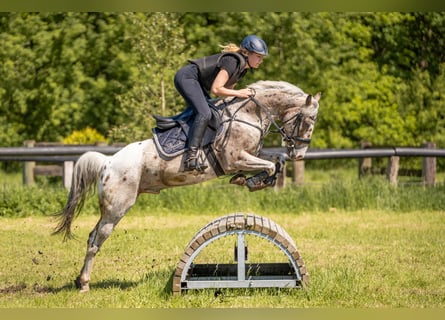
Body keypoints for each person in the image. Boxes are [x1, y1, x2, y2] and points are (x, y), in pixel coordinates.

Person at [174, 34, 268, 173]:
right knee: (204, 113)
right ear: (246, 53)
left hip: (198, 84)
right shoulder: (232, 61)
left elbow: (227, 92)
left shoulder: (243, 69)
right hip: (187, 77)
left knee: (215, 114)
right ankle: (190, 157)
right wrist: (240, 93)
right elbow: (216, 89)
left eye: (262, 57)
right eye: (258, 56)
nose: (261, 60)